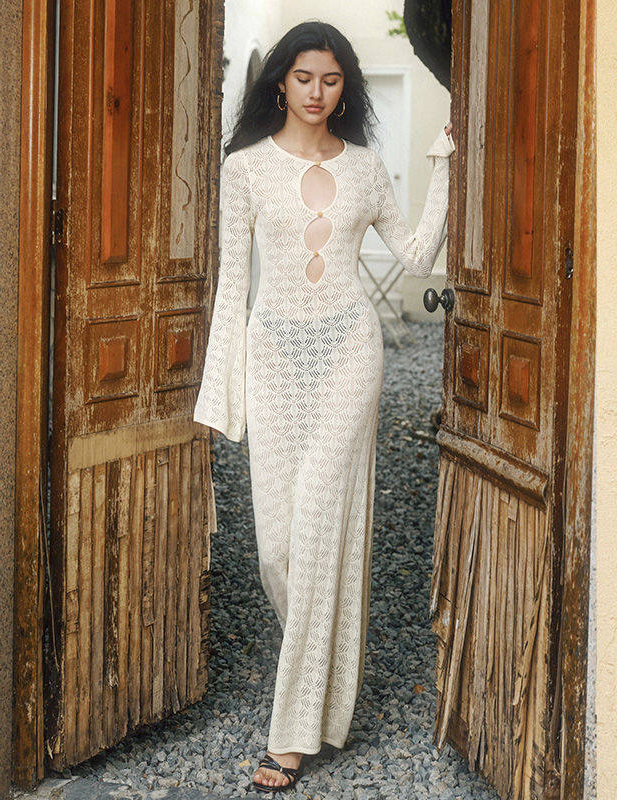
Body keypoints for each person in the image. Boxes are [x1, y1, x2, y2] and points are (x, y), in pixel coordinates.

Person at [192, 20, 455, 794]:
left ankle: (293, 732)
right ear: (281, 82)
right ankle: (321, 674)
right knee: (277, 547)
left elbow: (413, 255)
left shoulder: (369, 169)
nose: (316, 92)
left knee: (314, 522)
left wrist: (442, 166)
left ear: (346, 88)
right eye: (304, 77)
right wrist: (224, 390)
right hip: (274, 357)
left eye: (331, 79)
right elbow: (233, 286)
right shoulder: (243, 170)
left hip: (348, 355)